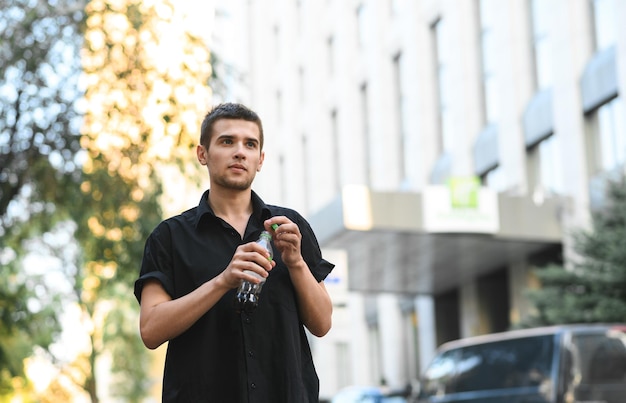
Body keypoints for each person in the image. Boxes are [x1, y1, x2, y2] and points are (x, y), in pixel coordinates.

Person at [134, 102, 334, 402]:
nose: (240, 151)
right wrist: (222, 281)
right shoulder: (170, 237)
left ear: (260, 159)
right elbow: (150, 330)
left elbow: (322, 324)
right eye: (227, 141)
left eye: (250, 144)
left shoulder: (291, 228)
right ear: (203, 154)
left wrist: (295, 263)